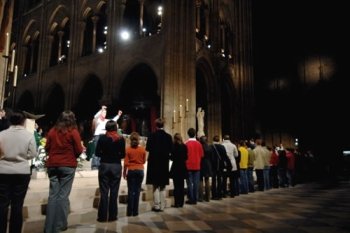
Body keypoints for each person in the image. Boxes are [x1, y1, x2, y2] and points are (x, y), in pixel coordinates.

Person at [44, 110, 85, 233]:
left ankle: (48, 227)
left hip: (53, 165)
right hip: (67, 165)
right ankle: (59, 225)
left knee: (53, 196)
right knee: (62, 196)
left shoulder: (52, 131)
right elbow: (78, 150)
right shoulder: (73, 132)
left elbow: (47, 148)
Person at [0, 110, 37, 233]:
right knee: (17, 205)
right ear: (23, 121)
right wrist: (21, 157)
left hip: (3, 171)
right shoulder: (28, 135)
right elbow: (33, 154)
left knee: (2, 204)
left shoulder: (2, 134)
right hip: (21, 172)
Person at [95, 120, 125, 222]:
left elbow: (97, 153)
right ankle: (112, 216)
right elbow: (123, 155)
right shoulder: (121, 139)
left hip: (104, 165)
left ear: (106, 128)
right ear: (116, 128)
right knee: (114, 193)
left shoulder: (102, 138)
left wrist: (105, 154)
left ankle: (102, 217)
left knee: (104, 192)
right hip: (116, 166)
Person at [145, 118, 173, 212]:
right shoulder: (168, 137)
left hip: (154, 163)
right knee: (163, 185)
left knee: (155, 185)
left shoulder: (151, 136)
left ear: (156, 125)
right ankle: (162, 206)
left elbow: (148, 148)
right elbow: (171, 150)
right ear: (163, 125)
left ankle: (156, 205)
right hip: (164, 163)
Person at [91, 105, 122, 170]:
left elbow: (113, 120)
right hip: (98, 136)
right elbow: (95, 116)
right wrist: (101, 110)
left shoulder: (106, 120)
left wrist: (118, 115)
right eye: (103, 112)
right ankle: (94, 166)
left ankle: (99, 165)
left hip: (103, 137)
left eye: (105, 113)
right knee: (96, 150)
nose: (105, 114)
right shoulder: (98, 119)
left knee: (102, 151)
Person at [123, 132, 146, 217]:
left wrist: (124, 173)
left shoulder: (128, 149)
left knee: (130, 191)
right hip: (140, 171)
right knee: (137, 191)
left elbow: (125, 163)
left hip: (131, 171)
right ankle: (135, 212)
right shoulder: (142, 149)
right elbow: (144, 161)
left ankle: (129, 212)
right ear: (139, 140)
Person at [185, 128, 203, 205]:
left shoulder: (186, 144)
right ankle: (195, 198)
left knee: (189, 183)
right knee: (196, 183)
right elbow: (202, 155)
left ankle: (191, 198)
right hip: (197, 165)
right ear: (195, 134)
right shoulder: (199, 144)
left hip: (188, 165)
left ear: (188, 134)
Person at [169, 133, 188, 207]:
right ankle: (181, 203)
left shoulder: (173, 147)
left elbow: (171, 158)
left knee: (176, 186)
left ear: (175, 139)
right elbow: (186, 157)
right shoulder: (184, 146)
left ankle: (177, 203)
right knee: (181, 186)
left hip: (176, 167)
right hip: (182, 167)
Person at [198, 136, 213, 202]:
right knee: (207, 181)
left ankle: (200, 197)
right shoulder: (210, 147)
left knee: (200, 180)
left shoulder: (200, 147)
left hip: (201, 163)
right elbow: (212, 157)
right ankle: (208, 197)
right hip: (208, 164)